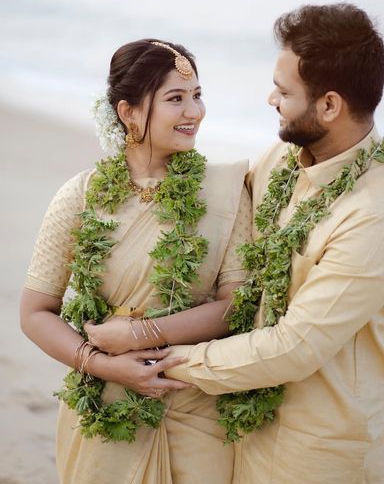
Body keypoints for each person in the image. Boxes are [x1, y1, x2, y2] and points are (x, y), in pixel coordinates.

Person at [165, 4, 384, 483]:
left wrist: (162, 361)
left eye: (284, 92)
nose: (269, 99)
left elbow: (294, 347)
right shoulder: (283, 159)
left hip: (320, 455)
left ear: (328, 105)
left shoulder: (380, 216)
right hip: (243, 431)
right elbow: (218, 213)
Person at [20, 39, 252, 484]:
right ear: (128, 112)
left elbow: (235, 305)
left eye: (198, 95)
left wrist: (141, 333)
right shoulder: (82, 196)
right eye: (176, 99)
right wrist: (104, 365)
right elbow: (34, 312)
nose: (195, 112)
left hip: (193, 400)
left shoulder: (225, 193)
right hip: (105, 410)